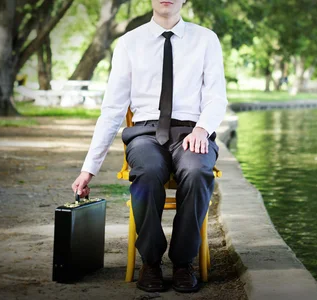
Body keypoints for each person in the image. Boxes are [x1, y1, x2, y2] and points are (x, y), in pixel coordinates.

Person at [70, 0, 227, 293]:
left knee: (196, 171)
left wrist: (203, 129)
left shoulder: (206, 39)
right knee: (148, 171)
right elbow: (113, 109)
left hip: (191, 133)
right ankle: (151, 262)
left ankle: (183, 263)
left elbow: (216, 96)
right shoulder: (129, 43)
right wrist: (88, 169)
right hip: (145, 134)